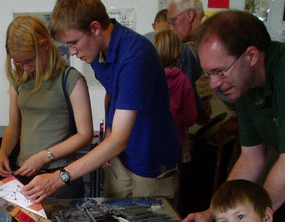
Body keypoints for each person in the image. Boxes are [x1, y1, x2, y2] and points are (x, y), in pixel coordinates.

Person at [179, 10, 285, 222]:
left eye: (221, 71)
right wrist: (213, 213)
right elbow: (251, 159)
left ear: (251, 55)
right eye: (210, 74)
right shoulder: (246, 88)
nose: (215, 84)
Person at [23, 0, 180, 202]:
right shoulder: (98, 52)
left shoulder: (135, 57)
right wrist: (107, 133)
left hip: (150, 162)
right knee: (113, 221)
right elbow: (112, 92)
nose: (72, 52)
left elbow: (119, 140)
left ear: (95, 28)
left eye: (73, 43)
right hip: (122, 158)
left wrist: (58, 178)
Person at [0, 15, 93, 198]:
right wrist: (3, 153)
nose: (25, 68)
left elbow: (85, 135)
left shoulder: (70, 79)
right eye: (19, 62)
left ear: (45, 46)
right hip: (24, 174)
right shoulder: (19, 81)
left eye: (29, 61)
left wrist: (43, 156)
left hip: (59, 176)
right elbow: (14, 127)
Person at [151, 29, 197, 150]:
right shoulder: (182, 80)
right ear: (178, 54)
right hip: (173, 141)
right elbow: (190, 118)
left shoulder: (144, 78)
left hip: (148, 141)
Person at [167, 0, 210, 122]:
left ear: (190, 15)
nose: (170, 28)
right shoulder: (199, 41)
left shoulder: (213, 36)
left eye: (173, 21)